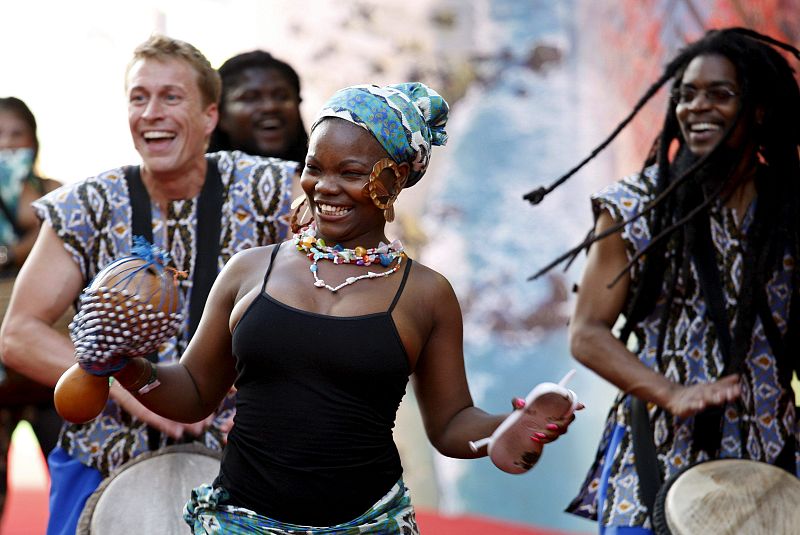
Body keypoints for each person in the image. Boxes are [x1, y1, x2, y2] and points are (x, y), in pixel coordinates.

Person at [97, 82, 579, 533]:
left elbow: (451, 423)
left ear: (396, 178)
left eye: (350, 172)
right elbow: (196, 390)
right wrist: (127, 366)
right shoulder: (249, 270)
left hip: (369, 524)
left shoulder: (426, 294)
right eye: (314, 167)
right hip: (242, 521)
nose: (324, 187)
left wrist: (508, 428)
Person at [0, 35, 297, 535]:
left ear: (209, 116)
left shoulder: (270, 189)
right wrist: (125, 389)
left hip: (243, 450)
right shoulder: (87, 205)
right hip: (107, 455)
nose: (151, 112)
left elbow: (335, 285)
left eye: (171, 97)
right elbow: (18, 334)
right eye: (139, 98)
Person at [524, 28, 800, 533]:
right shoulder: (634, 208)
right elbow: (586, 333)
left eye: (720, 94)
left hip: (773, 456)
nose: (697, 107)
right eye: (687, 94)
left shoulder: (788, 210)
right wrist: (671, 393)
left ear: (759, 110)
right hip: (656, 455)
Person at [0, 96, 62, 519]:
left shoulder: (57, 196)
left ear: (34, 141)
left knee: (66, 473)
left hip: (46, 369)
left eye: (15, 135)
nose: (6, 147)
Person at [208, 49, 308, 163]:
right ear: (220, 115)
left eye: (281, 96)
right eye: (250, 98)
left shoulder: (326, 176)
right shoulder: (195, 179)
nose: (270, 107)